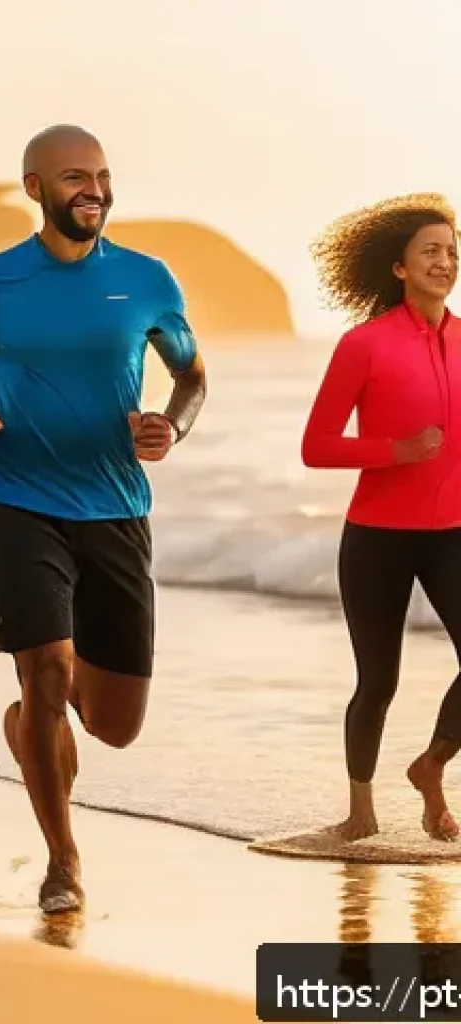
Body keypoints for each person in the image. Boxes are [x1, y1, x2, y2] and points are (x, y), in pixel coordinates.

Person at [0, 125, 207, 913]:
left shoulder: (148, 279)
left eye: (104, 177)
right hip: (16, 498)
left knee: (115, 725)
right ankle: (63, 860)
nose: (96, 190)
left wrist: (170, 426)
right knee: (44, 669)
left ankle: (30, 727)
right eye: (76, 176)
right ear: (35, 188)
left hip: (116, 505)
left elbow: (193, 378)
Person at [301, 193, 461, 843]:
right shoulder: (364, 345)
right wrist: (395, 451)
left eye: (452, 252)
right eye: (430, 251)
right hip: (377, 538)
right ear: (398, 267)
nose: (444, 262)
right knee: (378, 681)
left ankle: (431, 767)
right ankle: (359, 810)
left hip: (453, 534)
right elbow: (317, 446)